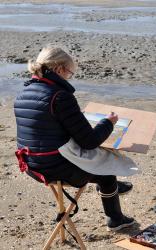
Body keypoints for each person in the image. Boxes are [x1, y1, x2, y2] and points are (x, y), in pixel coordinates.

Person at [14, 46, 135, 231]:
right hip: (56, 169)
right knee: (107, 171)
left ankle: (109, 188)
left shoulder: (22, 94)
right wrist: (108, 123)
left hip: (31, 166)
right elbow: (89, 141)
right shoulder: (60, 96)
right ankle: (116, 219)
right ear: (60, 69)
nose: (69, 77)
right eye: (70, 73)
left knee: (98, 159)